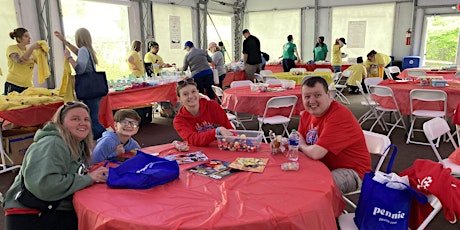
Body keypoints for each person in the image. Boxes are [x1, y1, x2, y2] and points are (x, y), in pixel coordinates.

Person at [2, 101, 109, 229]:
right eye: (75, 119)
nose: (83, 123)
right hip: (30, 215)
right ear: (61, 123)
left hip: (49, 207)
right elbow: (45, 185)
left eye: (86, 119)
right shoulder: (53, 144)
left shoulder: (76, 144)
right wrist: (89, 178)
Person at [297, 76, 371, 194]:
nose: (311, 101)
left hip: (352, 172)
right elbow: (298, 137)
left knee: (312, 189)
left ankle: (322, 212)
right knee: (289, 179)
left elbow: (316, 153)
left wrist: (302, 145)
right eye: (307, 97)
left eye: (317, 95)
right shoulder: (307, 114)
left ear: (328, 94)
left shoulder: (339, 115)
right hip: (322, 166)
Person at [54, 28, 106, 140]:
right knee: (93, 117)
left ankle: (107, 137)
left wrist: (69, 58)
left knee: (92, 120)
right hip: (94, 89)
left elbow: (80, 69)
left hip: (89, 90)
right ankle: (105, 137)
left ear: (78, 38)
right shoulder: (87, 50)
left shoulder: (83, 50)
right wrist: (64, 41)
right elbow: (77, 51)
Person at [173, 78, 233, 146]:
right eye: (185, 94)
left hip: (221, 147)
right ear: (179, 98)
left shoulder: (213, 106)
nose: (190, 96)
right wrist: (217, 131)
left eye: (193, 91)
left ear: (198, 92)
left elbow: (229, 129)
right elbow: (194, 139)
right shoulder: (179, 121)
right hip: (199, 153)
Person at [5, 28, 41, 94]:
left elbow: (40, 63)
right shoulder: (11, 48)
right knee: (14, 104)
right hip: (14, 84)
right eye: (26, 36)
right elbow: (20, 61)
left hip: (28, 86)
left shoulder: (31, 51)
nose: (29, 38)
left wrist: (43, 52)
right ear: (19, 38)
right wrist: (32, 48)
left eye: (29, 36)